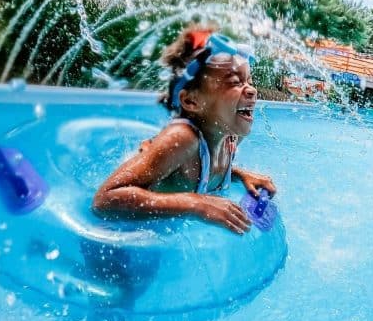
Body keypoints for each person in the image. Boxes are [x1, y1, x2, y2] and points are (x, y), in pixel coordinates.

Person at [93, 26, 276, 235]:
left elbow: (196, 172)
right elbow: (104, 199)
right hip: (123, 235)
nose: (251, 90)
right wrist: (195, 203)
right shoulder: (183, 139)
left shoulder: (230, 138)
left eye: (249, 81)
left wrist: (238, 174)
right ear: (191, 100)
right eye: (235, 83)